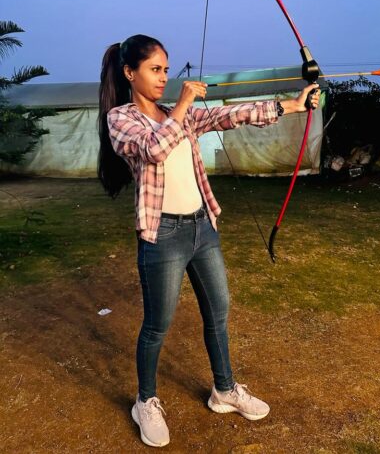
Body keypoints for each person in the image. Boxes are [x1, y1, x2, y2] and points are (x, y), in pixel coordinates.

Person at [98, 34, 320, 448]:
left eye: (166, 69)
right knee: (157, 325)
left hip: (203, 228)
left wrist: (293, 104)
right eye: (155, 69)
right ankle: (145, 400)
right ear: (130, 73)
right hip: (162, 235)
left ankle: (224, 389)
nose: (164, 77)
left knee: (218, 312)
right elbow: (154, 149)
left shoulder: (177, 114)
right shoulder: (121, 119)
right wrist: (182, 106)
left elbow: (230, 115)